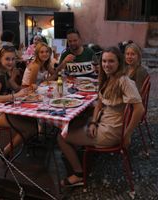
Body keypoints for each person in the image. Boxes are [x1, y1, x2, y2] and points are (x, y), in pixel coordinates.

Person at [57, 46, 145, 187]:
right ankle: (81, 155)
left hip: (111, 131)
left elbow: (139, 109)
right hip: (102, 123)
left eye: (111, 61)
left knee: (61, 137)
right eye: (104, 61)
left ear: (119, 62)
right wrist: (93, 122)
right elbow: (98, 103)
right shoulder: (108, 78)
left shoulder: (124, 81)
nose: (106, 65)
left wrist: (127, 134)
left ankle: (79, 174)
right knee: (74, 122)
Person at [0, 45, 38, 159]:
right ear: (0, 59)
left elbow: (16, 88)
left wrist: (26, 89)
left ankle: (27, 143)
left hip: (1, 108)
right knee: (30, 128)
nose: (10, 62)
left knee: (32, 121)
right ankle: (3, 152)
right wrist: (16, 95)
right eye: (7, 59)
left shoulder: (5, 72)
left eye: (13, 59)